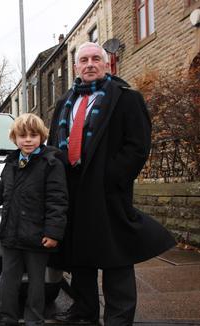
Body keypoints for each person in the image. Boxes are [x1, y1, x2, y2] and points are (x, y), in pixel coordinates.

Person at [48, 42, 175, 325]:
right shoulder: (64, 102)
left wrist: (111, 178)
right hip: (72, 190)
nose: (90, 64)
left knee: (116, 256)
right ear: (76, 67)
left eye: (96, 58)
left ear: (107, 64)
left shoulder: (126, 98)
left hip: (107, 191)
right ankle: (85, 311)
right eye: (84, 60)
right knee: (80, 257)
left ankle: (119, 317)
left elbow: (138, 145)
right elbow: (53, 143)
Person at [0, 113, 68, 326]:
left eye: (33, 135)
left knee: (36, 282)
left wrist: (53, 233)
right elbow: (1, 192)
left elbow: (57, 200)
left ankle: (34, 318)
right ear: (14, 138)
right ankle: (7, 317)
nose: (27, 140)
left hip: (38, 236)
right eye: (22, 135)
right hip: (11, 233)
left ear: (41, 137)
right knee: (8, 279)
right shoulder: (12, 163)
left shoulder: (51, 163)